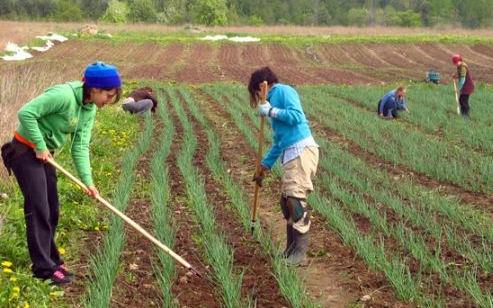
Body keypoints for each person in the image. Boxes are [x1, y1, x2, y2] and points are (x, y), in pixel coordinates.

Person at [0, 62, 122, 286]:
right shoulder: (64, 95)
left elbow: (80, 146)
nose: (110, 100)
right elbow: (25, 113)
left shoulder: (89, 108)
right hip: (24, 151)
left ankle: (52, 260)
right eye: (108, 94)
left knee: (52, 208)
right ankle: (43, 269)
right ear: (94, 89)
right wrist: (39, 144)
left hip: (44, 154)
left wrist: (88, 182)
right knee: (39, 207)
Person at [248, 66, 319, 267]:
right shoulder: (273, 101)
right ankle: (291, 250)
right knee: (286, 201)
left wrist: (271, 110)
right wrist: (264, 165)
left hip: (302, 150)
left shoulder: (284, 91)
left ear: (263, 86)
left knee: (295, 200)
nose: (258, 98)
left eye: (256, 93)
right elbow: (279, 141)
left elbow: (297, 116)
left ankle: (299, 254)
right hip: (290, 152)